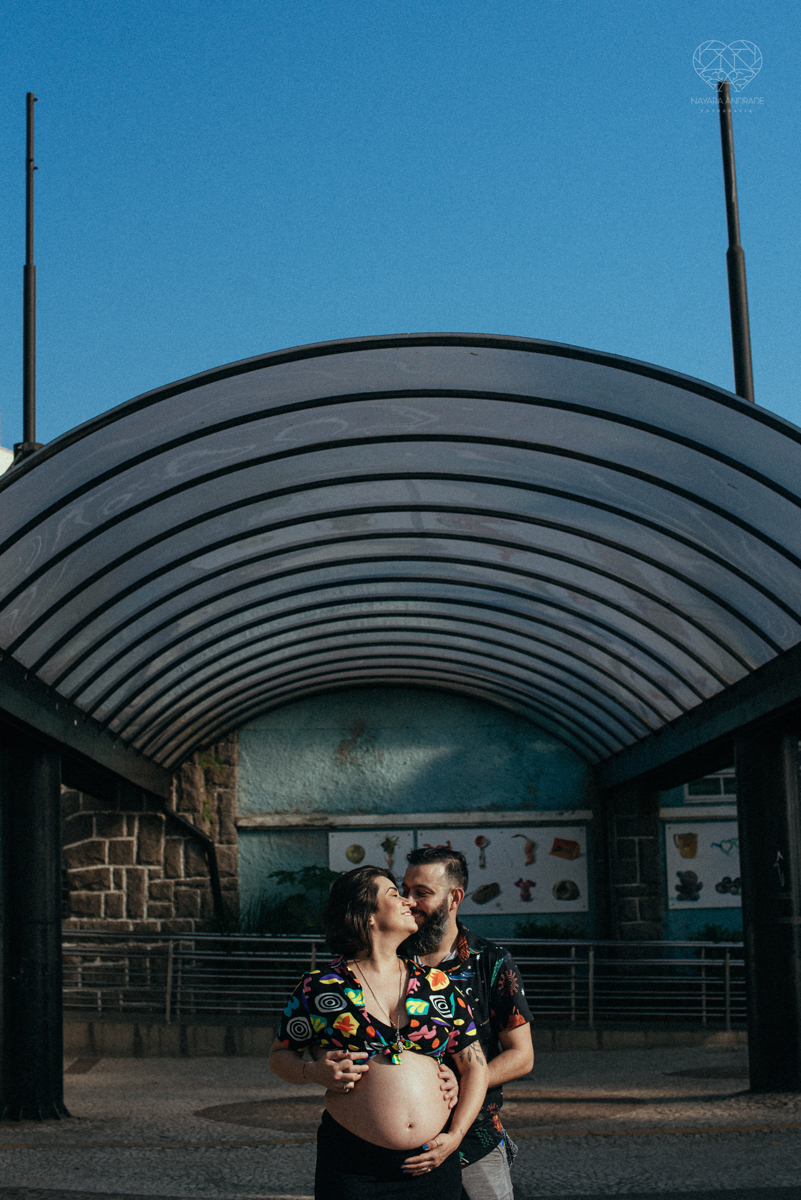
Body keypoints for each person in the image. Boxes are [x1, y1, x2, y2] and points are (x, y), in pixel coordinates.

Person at [269, 865, 489, 1200]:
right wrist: (312, 1071)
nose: (407, 902)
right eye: (393, 893)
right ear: (367, 914)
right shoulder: (320, 987)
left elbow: (475, 1066)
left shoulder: (438, 985)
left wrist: (456, 1135)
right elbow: (279, 1055)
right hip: (354, 1166)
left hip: (433, 1161)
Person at [401, 847, 534, 1200]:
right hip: (399, 1141)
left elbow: (522, 1055)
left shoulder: (491, 962)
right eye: (405, 889)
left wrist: (467, 1080)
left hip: (475, 1139)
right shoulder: (389, 960)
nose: (408, 901)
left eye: (422, 892)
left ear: (454, 897)